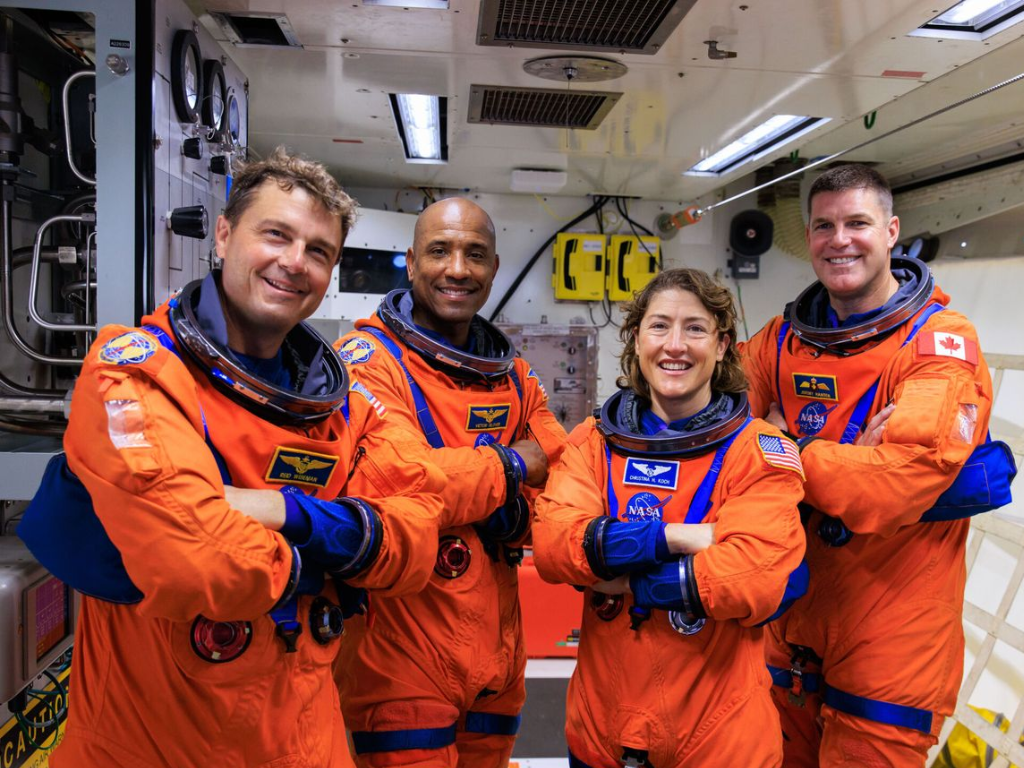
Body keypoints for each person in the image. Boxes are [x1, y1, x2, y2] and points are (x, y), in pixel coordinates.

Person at [33, 148, 445, 768]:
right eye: (275, 235)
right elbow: (195, 560)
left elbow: (416, 538)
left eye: (318, 251)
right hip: (156, 746)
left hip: (310, 742)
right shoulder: (136, 371)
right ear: (224, 236)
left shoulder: (343, 404)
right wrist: (336, 554)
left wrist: (286, 513)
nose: (294, 262)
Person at [740, 163, 995, 767]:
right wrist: (853, 459)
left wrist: (785, 446)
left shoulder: (938, 344)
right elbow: (717, 445)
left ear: (891, 232)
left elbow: (895, 484)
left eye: (857, 223)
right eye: (823, 226)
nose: (840, 240)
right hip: (788, 624)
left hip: (893, 634)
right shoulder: (779, 341)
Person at [531, 268, 806, 768]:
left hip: (720, 746)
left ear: (722, 346)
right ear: (637, 340)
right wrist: (682, 538)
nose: (674, 345)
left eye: (695, 328)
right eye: (659, 326)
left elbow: (755, 578)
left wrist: (618, 574)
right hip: (599, 736)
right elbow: (553, 547)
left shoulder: (759, 451)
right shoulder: (593, 443)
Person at [332, 197, 567, 768]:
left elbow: (564, 477)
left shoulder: (514, 376)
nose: (457, 269)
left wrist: (509, 507)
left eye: (475, 254)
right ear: (412, 262)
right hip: (400, 654)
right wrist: (513, 467)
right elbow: (409, 485)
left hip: (499, 655)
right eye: (440, 251)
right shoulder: (367, 363)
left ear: (494, 268)